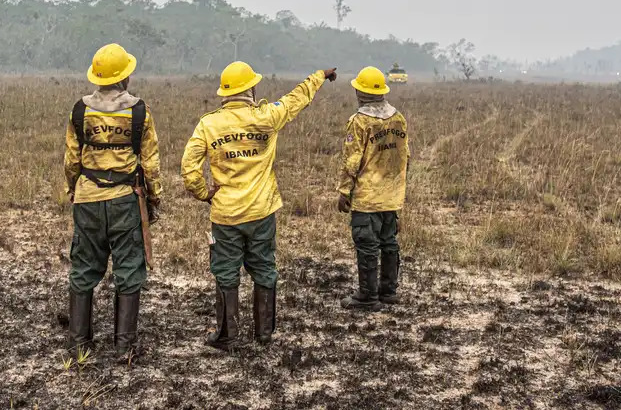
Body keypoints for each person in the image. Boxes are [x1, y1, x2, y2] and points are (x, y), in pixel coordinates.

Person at [182, 61, 337, 350]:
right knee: (264, 267)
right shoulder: (268, 116)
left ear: (224, 93)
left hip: (226, 215)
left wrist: (204, 193)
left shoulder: (209, 124)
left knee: (226, 272)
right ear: (251, 88)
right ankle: (263, 334)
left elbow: (189, 168)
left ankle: (228, 335)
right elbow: (295, 99)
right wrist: (319, 76)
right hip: (262, 211)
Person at [64, 43, 162, 358]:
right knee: (129, 268)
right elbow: (150, 162)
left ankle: (79, 343)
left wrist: (73, 189)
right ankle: (125, 346)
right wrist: (154, 199)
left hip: (87, 199)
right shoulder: (139, 110)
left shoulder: (80, 110)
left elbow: (71, 161)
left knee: (83, 267)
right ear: (126, 77)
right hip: (126, 199)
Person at [337, 66, 410, 310]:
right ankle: (388, 291)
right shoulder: (398, 118)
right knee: (389, 242)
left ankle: (368, 297)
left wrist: (344, 191)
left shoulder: (359, 122)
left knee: (367, 245)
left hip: (367, 197)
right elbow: (405, 157)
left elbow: (352, 161)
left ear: (359, 92)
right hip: (392, 195)